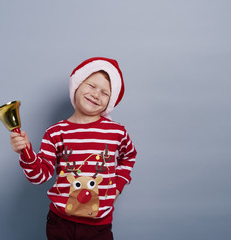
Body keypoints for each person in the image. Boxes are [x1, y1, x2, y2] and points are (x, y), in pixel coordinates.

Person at [10, 57, 137, 240]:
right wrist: (26, 152)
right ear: (77, 85)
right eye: (91, 86)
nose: (96, 94)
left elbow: (129, 156)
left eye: (104, 93)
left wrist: (117, 186)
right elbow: (40, 176)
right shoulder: (55, 133)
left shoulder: (116, 131)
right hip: (61, 223)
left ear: (110, 102)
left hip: (99, 226)